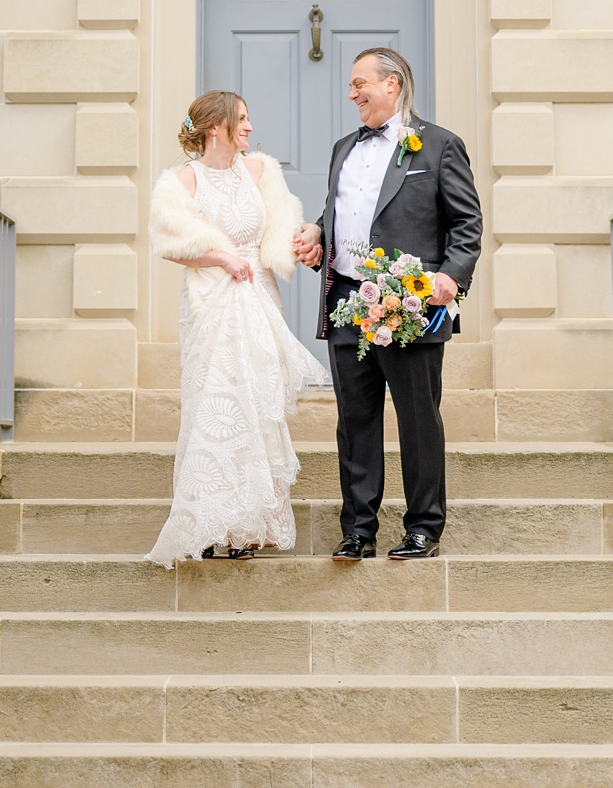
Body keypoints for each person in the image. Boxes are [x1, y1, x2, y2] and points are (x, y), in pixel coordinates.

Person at [292, 47, 482, 562]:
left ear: (392, 84)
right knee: (355, 422)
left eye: (360, 83)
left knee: (419, 420)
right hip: (348, 301)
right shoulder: (342, 149)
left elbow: (467, 226)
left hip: (409, 304)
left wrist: (450, 277)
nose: (352, 93)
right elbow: (343, 209)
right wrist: (316, 232)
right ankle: (358, 530)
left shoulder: (439, 145)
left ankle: (423, 527)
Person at [146, 89, 323, 566]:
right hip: (212, 303)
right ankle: (205, 523)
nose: (248, 127)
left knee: (256, 404)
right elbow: (169, 243)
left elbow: (286, 229)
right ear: (214, 127)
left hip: (259, 299)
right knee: (215, 405)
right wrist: (221, 256)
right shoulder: (181, 182)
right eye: (240, 120)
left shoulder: (263, 172)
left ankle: (248, 526)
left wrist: (310, 236)